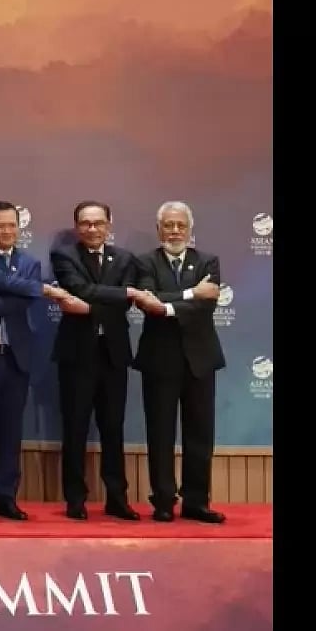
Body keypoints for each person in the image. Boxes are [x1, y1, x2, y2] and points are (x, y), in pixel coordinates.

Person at [0, 201, 78, 521]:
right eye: (1, 226)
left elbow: (19, 297)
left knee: (11, 432)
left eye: (13, 226)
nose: (8, 231)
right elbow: (6, 285)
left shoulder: (29, 262)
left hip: (16, 357)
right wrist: (39, 290)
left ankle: (6, 498)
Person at [132, 201, 226, 523]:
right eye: (168, 225)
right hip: (159, 360)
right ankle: (162, 501)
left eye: (180, 225)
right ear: (159, 229)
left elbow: (207, 306)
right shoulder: (144, 262)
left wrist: (167, 305)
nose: (175, 231)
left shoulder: (208, 261)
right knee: (160, 433)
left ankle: (196, 502)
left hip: (200, 360)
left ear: (190, 229)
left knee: (200, 434)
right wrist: (188, 296)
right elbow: (147, 301)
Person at [49, 201, 142, 521]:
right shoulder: (64, 256)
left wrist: (89, 304)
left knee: (113, 429)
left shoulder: (126, 258)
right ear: (77, 227)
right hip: (77, 355)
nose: (92, 229)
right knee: (75, 428)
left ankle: (117, 498)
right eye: (86, 223)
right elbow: (78, 288)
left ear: (109, 224)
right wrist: (114, 295)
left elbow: (124, 299)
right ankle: (75, 499)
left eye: (98, 223)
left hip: (113, 355)